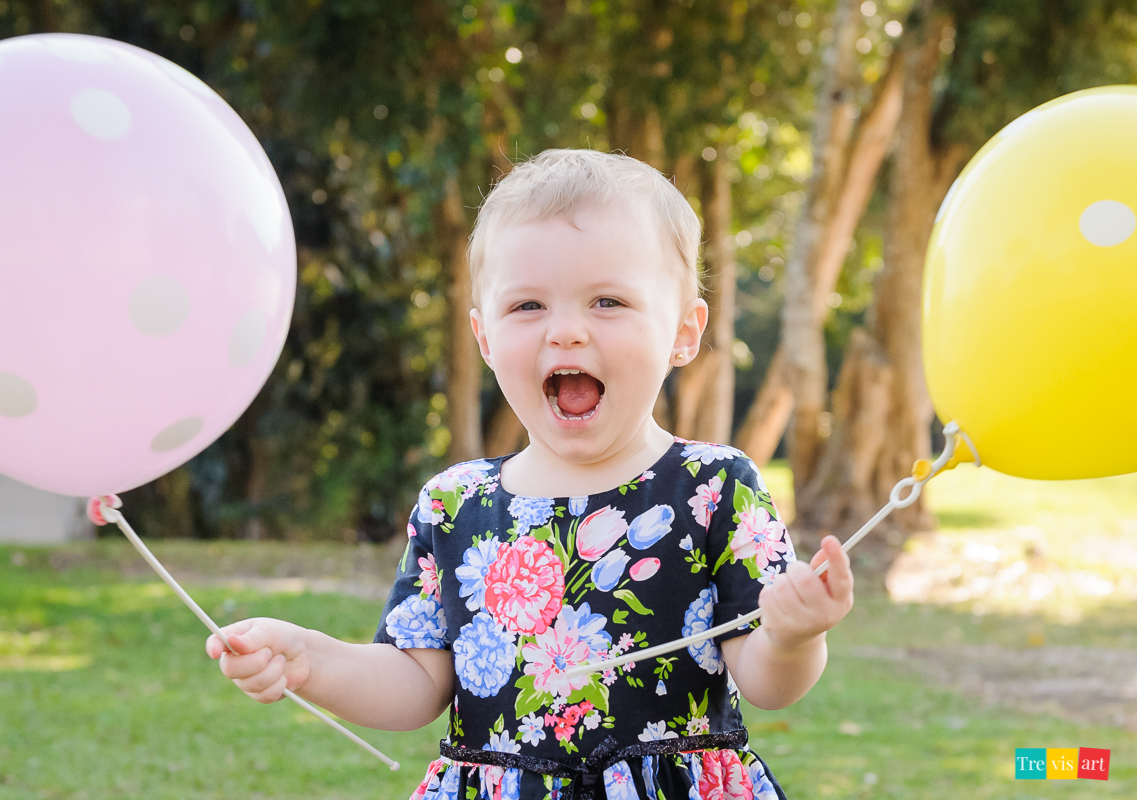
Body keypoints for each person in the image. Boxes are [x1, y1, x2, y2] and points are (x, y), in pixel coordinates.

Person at [207, 149, 855, 800]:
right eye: (527, 307)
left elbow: (769, 684)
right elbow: (414, 685)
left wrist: (793, 636)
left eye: (607, 301)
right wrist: (310, 660)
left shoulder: (712, 488)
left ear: (684, 332)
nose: (566, 332)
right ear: (484, 336)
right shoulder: (455, 505)